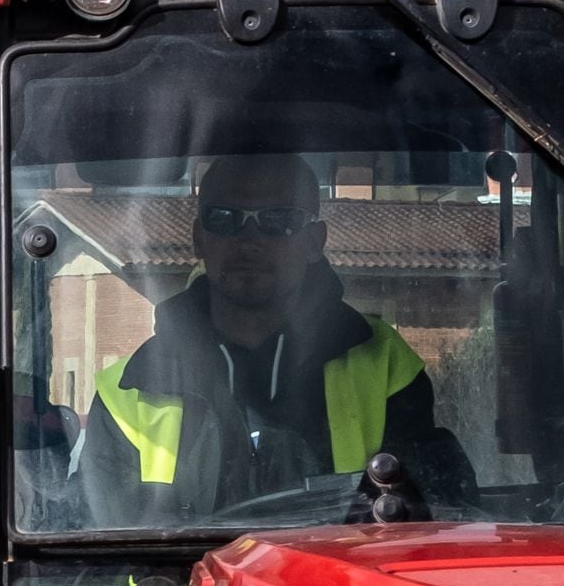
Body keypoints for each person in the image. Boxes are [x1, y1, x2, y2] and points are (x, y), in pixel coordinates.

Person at [79, 152, 471, 525]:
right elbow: (98, 564)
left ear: (315, 241)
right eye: (225, 218)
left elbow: (431, 521)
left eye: (278, 219)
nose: (249, 240)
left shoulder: (386, 367)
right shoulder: (127, 393)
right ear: (200, 237)